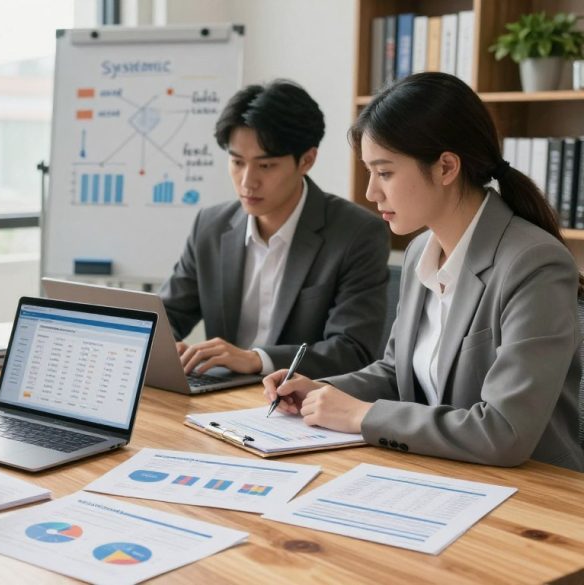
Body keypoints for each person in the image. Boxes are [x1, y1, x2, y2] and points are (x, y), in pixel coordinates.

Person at [263, 72, 584, 471]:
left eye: (384, 172)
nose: (370, 192)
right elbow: (397, 372)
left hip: (533, 497)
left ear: (446, 167)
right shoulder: (419, 252)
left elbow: (504, 431)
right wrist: (322, 391)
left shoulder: (534, 263)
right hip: (440, 472)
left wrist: (360, 416)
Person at [160, 80, 390, 379]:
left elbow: (352, 350)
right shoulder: (211, 226)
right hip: (214, 399)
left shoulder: (356, 233)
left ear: (307, 160)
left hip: (299, 406)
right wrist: (167, 347)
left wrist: (257, 359)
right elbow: (166, 315)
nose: (247, 182)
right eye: (237, 162)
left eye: (265, 166)